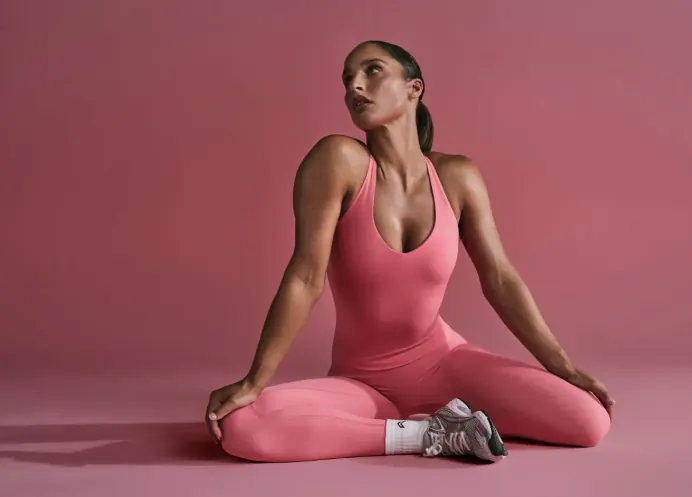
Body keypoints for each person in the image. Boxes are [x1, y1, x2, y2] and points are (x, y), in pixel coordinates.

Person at [204, 40, 614, 463]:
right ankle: (429, 432)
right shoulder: (339, 160)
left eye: (372, 71)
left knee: (588, 420)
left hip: (446, 367)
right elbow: (306, 278)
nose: (355, 87)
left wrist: (564, 368)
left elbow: (500, 278)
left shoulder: (456, 177)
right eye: (347, 79)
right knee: (241, 428)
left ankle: (436, 423)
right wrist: (255, 381)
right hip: (361, 384)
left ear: (414, 88)